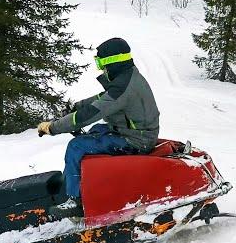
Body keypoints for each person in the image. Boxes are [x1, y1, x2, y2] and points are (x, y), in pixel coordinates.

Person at [37, 37, 160, 216]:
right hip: (134, 133)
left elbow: (92, 113)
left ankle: (75, 202)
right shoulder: (127, 77)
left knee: (76, 146)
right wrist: (77, 106)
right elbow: (103, 98)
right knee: (94, 133)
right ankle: (78, 182)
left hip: (136, 140)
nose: (101, 66)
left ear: (112, 61)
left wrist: (53, 127)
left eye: (100, 61)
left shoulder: (124, 87)